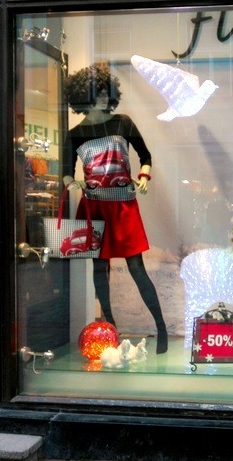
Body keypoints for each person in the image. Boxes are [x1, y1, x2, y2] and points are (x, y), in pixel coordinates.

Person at [62, 63, 168, 354]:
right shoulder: (75, 133)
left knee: (136, 268)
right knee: (99, 268)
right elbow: (67, 171)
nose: (100, 98)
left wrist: (144, 176)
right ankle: (110, 329)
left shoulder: (123, 123)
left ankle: (161, 327)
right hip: (93, 207)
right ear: (83, 97)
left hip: (123, 207)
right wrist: (72, 183)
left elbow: (145, 156)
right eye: (95, 93)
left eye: (103, 92)